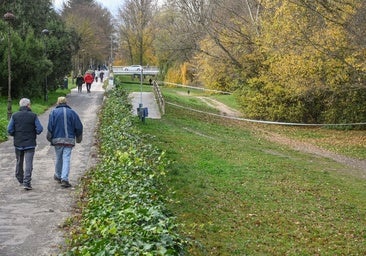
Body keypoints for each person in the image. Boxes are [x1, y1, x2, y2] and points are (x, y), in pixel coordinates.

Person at [7, 98, 43, 190]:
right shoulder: (33, 116)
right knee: (28, 163)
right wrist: (34, 132)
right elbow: (39, 129)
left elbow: (9, 130)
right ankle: (27, 182)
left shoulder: (15, 116)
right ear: (28, 105)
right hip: (30, 143)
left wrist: (15, 135)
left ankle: (20, 179)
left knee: (19, 161)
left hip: (18, 143)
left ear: (20, 105)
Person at [47, 96, 83, 188]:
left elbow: (50, 126)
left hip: (57, 139)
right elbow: (78, 126)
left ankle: (58, 175)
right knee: (66, 158)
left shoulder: (53, 113)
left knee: (59, 157)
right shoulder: (72, 113)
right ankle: (64, 179)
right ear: (66, 103)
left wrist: (49, 137)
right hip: (69, 139)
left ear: (57, 103)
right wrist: (78, 137)